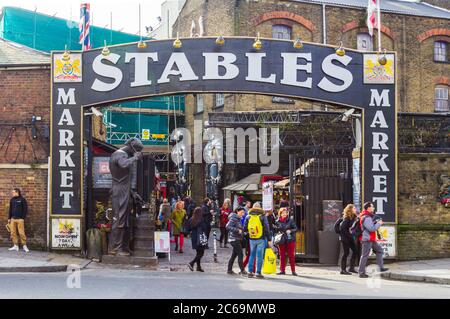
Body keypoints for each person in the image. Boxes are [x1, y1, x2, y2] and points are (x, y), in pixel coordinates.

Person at [358, 202, 389, 278]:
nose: (373, 208)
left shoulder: (367, 216)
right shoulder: (366, 217)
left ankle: (380, 267)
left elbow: (370, 226)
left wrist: (375, 222)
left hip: (371, 239)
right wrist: (379, 223)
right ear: (368, 208)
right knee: (365, 255)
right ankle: (361, 272)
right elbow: (371, 228)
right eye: (372, 207)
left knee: (379, 250)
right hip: (367, 239)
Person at [244, 202, 272, 279]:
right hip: (261, 238)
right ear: (260, 208)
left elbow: (245, 228)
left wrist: (248, 235)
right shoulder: (262, 216)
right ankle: (258, 273)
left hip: (252, 239)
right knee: (259, 256)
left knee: (251, 255)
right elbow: (266, 228)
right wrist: (269, 239)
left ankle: (250, 272)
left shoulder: (248, 216)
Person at [274, 207, 297, 276]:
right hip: (281, 240)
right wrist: (277, 230)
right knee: (282, 255)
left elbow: (296, 228)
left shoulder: (290, 220)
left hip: (290, 239)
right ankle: (282, 270)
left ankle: (293, 271)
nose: (284, 214)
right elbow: (275, 230)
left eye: (286, 213)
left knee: (291, 255)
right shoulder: (277, 221)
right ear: (280, 214)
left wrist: (291, 230)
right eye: (283, 213)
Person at [226, 208, 247, 276]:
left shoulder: (238, 219)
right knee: (240, 254)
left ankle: (229, 270)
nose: (243, 214)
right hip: (234, 239)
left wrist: (244, 232)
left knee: (234, 255)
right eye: (241, 212)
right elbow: (228, 226)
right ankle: (242, 270)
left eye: (243, 213)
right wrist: (237, 230)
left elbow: (240, 229)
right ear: (237, 211)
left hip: (237, 238)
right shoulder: (234, 218)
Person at [187, 207, 209, 272]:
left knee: (198, 253)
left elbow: (188, 228)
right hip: (200, 237)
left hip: (194, 238)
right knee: (201, 253)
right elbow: (204, 227)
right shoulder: (201, 219)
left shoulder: (191, 219)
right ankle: (191, 263)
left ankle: (198, 267)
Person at [339, 204, 359, 275]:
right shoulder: (347, 218)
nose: (355, 209)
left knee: (355, 251)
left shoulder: (353, 217)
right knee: (346, 253)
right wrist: (347, 235)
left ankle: (351, 268)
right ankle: (343, 270)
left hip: (349, 238)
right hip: (345, 238)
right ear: (350, 210)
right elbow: (342, 228)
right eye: (354, 208)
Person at [8, 188, 29, 253]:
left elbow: (25, 209)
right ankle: (15, 246)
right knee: (13, 233)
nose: (12, 193)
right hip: (13, 219)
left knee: (21, 233)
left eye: (13, 192)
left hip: (20, 219)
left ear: (17, 192)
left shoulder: (22, 199)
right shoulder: (12, 200)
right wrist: (9, 218)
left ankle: (24, 246)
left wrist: (22, 218)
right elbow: (10, 209)